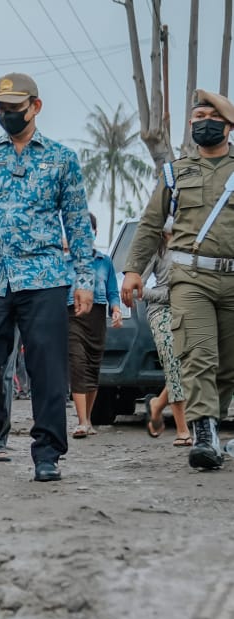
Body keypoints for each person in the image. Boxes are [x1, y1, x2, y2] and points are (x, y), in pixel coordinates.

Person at [0, 73, 94, 483]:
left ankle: (47, 451)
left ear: (35, 107)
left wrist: (84, 278)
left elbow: (78, 224)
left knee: (46, 367)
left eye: (15, 108)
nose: (8, 114)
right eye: (2, 109)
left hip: (44, 275)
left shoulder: (62, 159)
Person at [123, 89, 234, 469]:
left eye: (210, 116)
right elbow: (152, 224)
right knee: (198, 355)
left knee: (228, 364)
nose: (202, 121)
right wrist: (134, 269)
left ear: (227, 125)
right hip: (190, 277)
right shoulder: (175, 171)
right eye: (197, 116)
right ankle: (203, 433)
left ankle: (213, 427)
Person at [67, 213, 122, 439]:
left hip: (97, 317)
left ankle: (88, 418)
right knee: (77, 365)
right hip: (71, 316)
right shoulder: (65, 261)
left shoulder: (104, 262)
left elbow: (112, 291)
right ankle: (81, 421)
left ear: (95, 232)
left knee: (92, 367)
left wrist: (116, 309)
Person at [141, 224, 192, 446]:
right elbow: (136, 287)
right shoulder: (155, 247)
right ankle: (183, 430)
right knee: (173, 360)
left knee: (189, 364)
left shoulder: (192, 242)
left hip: (190, 308)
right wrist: (166, 295)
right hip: (161, 311)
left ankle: (158, 404)